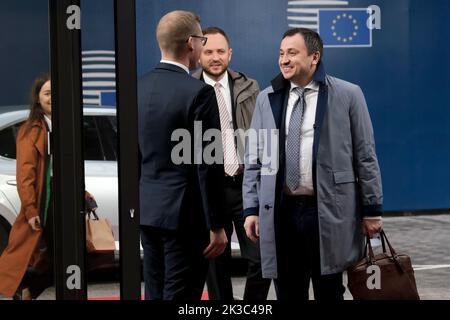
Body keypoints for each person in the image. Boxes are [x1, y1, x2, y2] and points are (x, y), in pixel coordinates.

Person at [242, 28, 383, 301]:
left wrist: (372, 210)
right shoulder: (266, 98)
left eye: (292, 53)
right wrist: (251, 208)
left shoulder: (349, 95)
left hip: (327, 210)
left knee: (329, 290)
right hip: (281, 212)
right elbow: (254, 159)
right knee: (288, 291)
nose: (283, 60)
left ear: (314, 57)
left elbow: (365, 155)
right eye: (281, 54)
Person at [138, 11, 228, 300]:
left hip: (148, 213)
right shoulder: (199, 93)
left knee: (155, 294)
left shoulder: (136, 88)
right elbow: (208, 164)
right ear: (191, 43)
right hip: (185, 220)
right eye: (202, 41)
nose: (203, 47)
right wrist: (216, 225)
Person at [0, 75, 97, 300]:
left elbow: (69, 167)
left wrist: (83, 194)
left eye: (55, 93)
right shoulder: (31, 129)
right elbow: (25, 174)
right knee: (64, 255)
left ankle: (29, 291)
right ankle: (28, 289)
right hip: (46, 200)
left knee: (69, 256)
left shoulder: (67, 125)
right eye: (46, 93)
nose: (52, 98)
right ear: (38, 99)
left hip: (64, 197)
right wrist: (31, 209)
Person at [192, 27, 271, 300]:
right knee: (216, 264)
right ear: (198, 53)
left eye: (220, 51)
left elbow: (264, 135)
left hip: (245, 186)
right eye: (209, 51)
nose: (215, 57)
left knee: (262, 259)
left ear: (230, 54)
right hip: (209, 189)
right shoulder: (188, 89)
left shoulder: (251, 87)